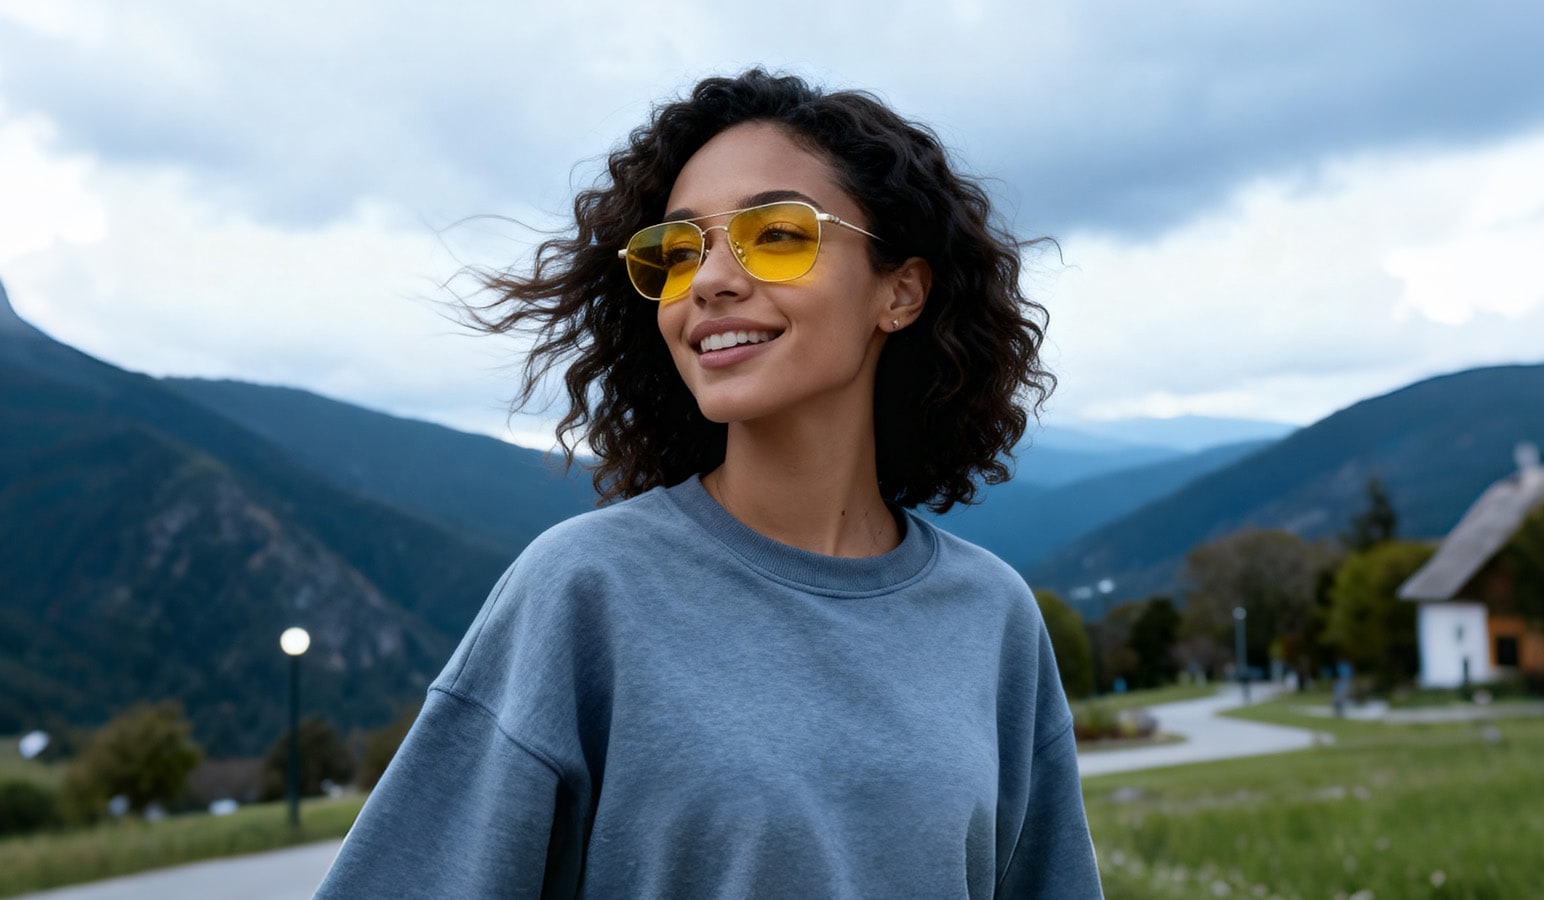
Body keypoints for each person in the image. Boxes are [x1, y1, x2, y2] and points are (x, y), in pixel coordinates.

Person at [315, 69, 1102, 899]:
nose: (710, 279)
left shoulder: (993, 616)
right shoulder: (584, 592)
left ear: (899, 292)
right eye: (679, 251)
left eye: (777, 236)